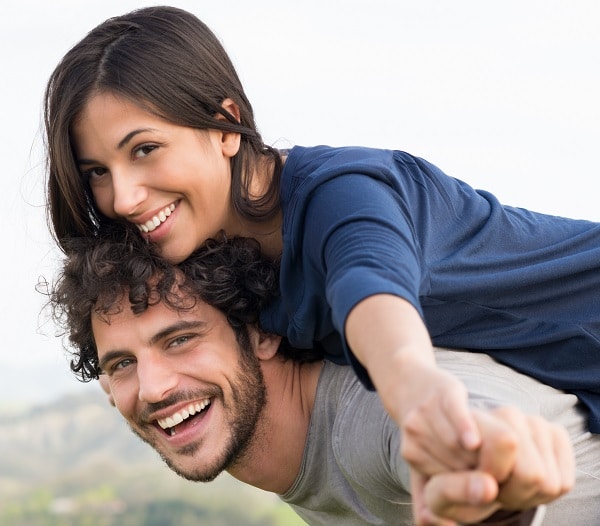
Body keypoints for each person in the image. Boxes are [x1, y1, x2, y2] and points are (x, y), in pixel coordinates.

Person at [43, 5, 600, 514]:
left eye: (145, 150)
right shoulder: (217, 253)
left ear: (224, 124)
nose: (124, 197)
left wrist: (414, 390)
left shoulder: (344, 195)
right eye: (98, 171)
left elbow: (372, 290)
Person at [49, 232, 576, 526]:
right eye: (121, 364)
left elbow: (447, 426)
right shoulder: (292, 459)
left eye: (180, 339)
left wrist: (484, 475)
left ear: (261, 333)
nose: (154, 387)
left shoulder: (361, 415)